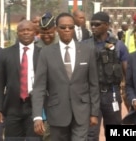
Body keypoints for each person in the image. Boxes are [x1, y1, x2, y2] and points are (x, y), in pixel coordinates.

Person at [32, 12, 100, 141]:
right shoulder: (46, 53)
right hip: (56, 113)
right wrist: (37, 116)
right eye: (63, 27)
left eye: (70, 27)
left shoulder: (87, 51)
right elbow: (39, 87)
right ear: (57, 29)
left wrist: (94, 113)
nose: (67, 30)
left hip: (81, 112)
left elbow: (93, 84)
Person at [0, 20, 42, 141]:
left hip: (34, 107)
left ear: (34, 32)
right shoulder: (6, 54)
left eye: (28, 30)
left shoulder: (43, 54)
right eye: (22, 30)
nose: (25, 33)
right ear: (17, 33)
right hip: (12, 107)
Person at [86, 11, 129, 141]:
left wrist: (128, 93)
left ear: (106, 25)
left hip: (112, 94)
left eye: (97, 24)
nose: (93, 27)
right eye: (91, 24)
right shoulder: (84, 45)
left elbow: (127, 71)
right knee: (91, 133)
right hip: (91, 95)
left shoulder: (119, 46)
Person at [35, 12, 59, 141]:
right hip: (42, 96)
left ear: (54, 30)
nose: (46, 36)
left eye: (49, 32)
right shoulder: (36, 47)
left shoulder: (62, 45)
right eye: (43, 33)